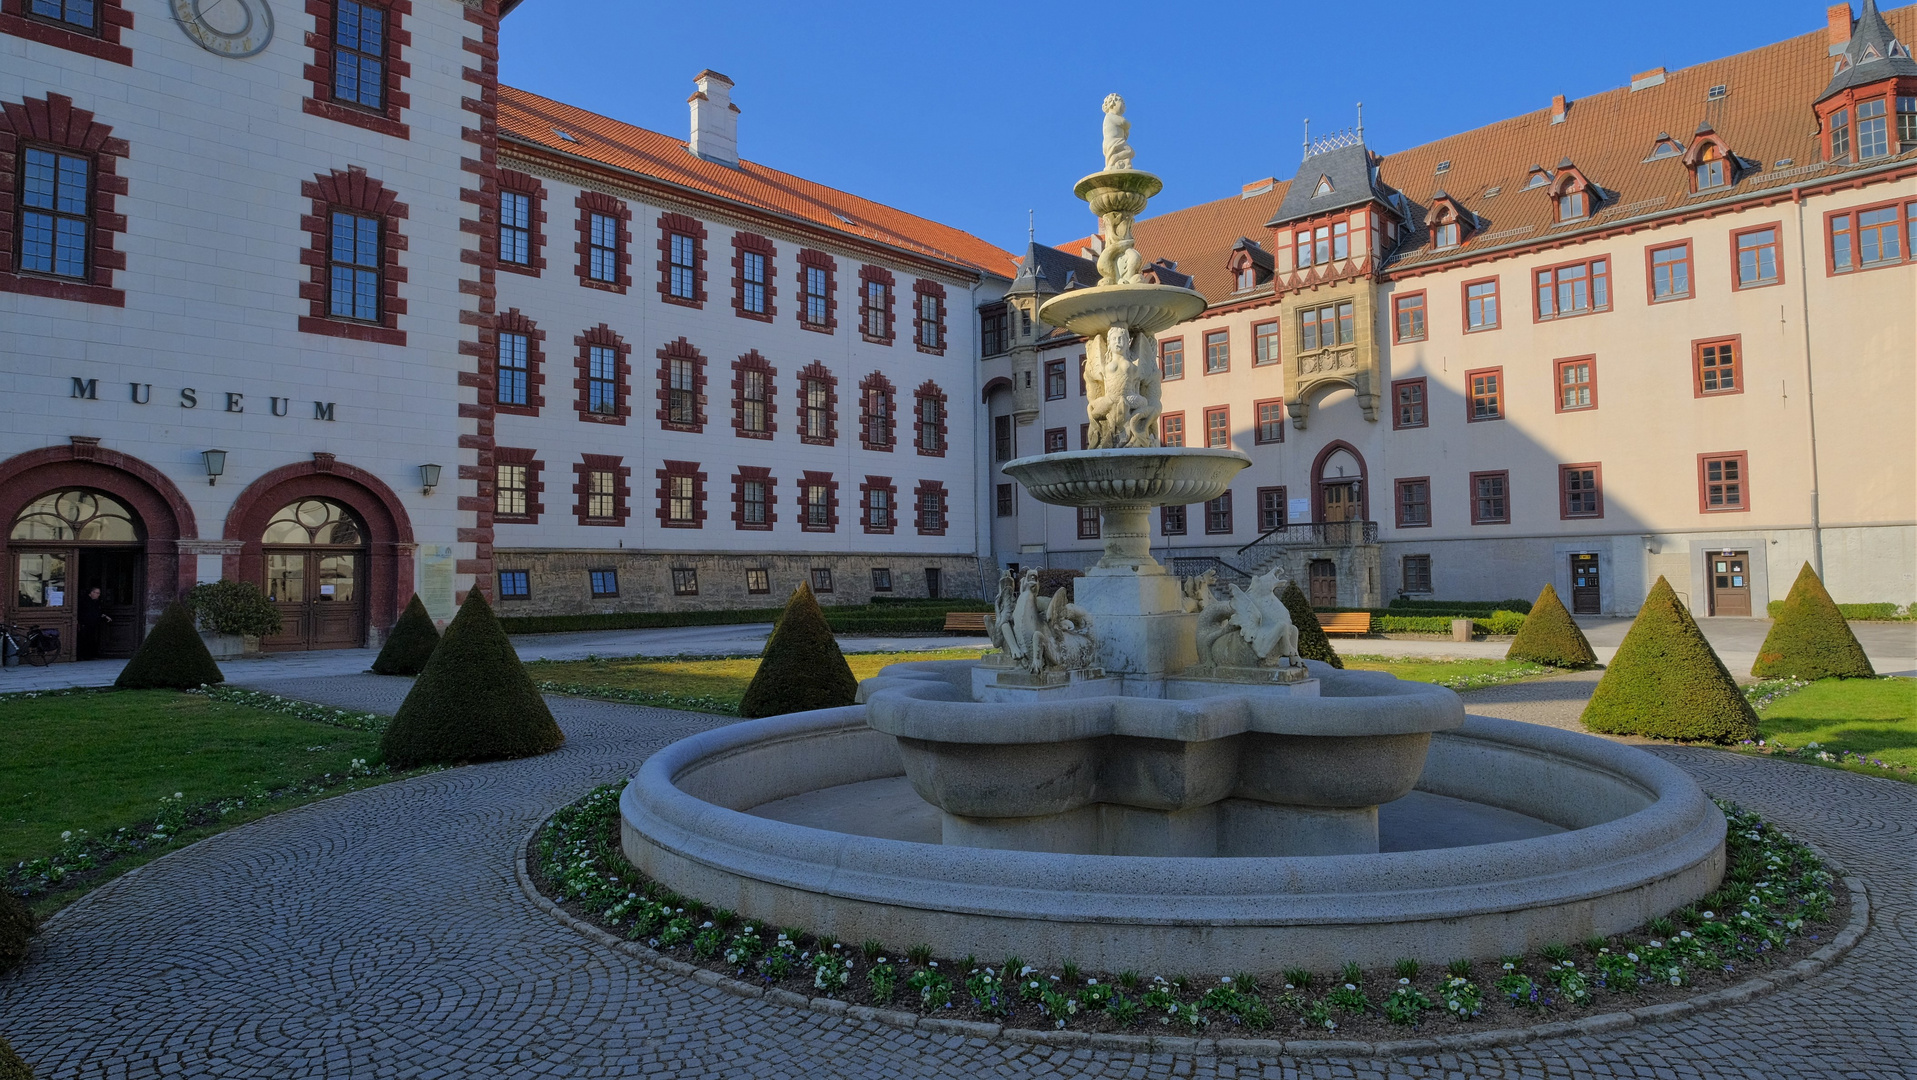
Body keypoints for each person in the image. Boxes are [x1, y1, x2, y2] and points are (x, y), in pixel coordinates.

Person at [77, 585, 111, 660]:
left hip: (92, 624)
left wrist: (104, 616)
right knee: (84, 639)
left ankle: (89, 655)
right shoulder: (84, 601)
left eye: (99, 593)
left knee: (91, 639)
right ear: (91, 593)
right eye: (97, 593)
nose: (98, 595)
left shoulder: (95, 602)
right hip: (85, 624)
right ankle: (83, 655)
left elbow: (97, 612)